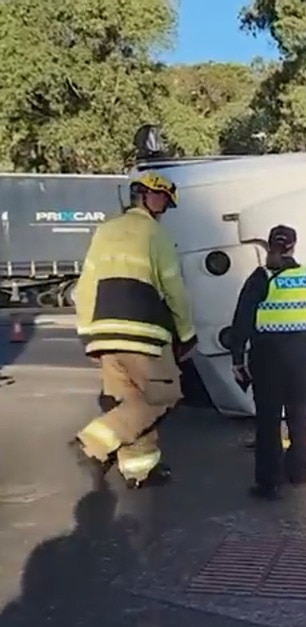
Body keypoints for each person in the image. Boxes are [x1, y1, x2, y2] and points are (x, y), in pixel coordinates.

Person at [70, 171, 196, 490]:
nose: (164, 209)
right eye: (163, 200)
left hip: (104, 334)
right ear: (144, 195)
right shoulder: (156, 235)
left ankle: (139, 470)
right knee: (163, 395)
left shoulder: (104, 231)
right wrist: (187, 333)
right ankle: (93, 443)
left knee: (131, 401)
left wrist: (87, 333)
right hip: (144, 334)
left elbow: (85, 286)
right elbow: (173, 288)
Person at [227, 225, 306, 500]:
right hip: (299, 359)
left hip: (266, 358)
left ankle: (268, 482)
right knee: (298, 417)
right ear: (293, 246)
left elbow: (242, 323)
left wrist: (237, 359)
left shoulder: (260, 278)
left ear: (269, 246)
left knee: (269, 420)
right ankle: (298, 472)